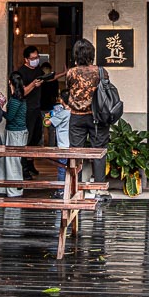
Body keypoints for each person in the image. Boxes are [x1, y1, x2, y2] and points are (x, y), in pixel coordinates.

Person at [65, 38, 111, 199]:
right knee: (98, 152)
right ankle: (99, 189)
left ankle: (74, 188)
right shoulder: (101, 71)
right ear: (92, 54)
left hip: (77, 117)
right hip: (98, 117)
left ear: (76, 55)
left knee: (75, 152)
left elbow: (69, 89)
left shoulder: (71, 72)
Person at [17, 46, 46, 179]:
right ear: (26, 59)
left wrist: (62, 74)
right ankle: (23, 169)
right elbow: (22, 93)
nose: (36, 60)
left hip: (36, 109)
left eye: (37, 57)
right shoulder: (21, 72)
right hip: (26, 110)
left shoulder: (38, 70)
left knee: (35, 138)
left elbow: (46, 79)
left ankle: (31, 164)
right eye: (33, 58)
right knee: (26, 140)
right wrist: (33, 84)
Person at [3, 72, 29, 198]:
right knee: (17, 161)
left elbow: (9, 117)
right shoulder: (21, 98)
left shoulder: (14, 100)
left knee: (13, 162)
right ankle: (15, 189)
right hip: (21, 132)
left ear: (10, 83)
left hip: (15, 132)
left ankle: (14, 191)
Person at [46, 90, 71, 199]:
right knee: (73, 168)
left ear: (62, 100)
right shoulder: (75, 112)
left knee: (62, 168)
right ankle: (72, 189)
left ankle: (61, 190)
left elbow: (48, 123)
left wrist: (47, 116)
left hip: (63, 145)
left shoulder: (62, 113)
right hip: (73, 144)